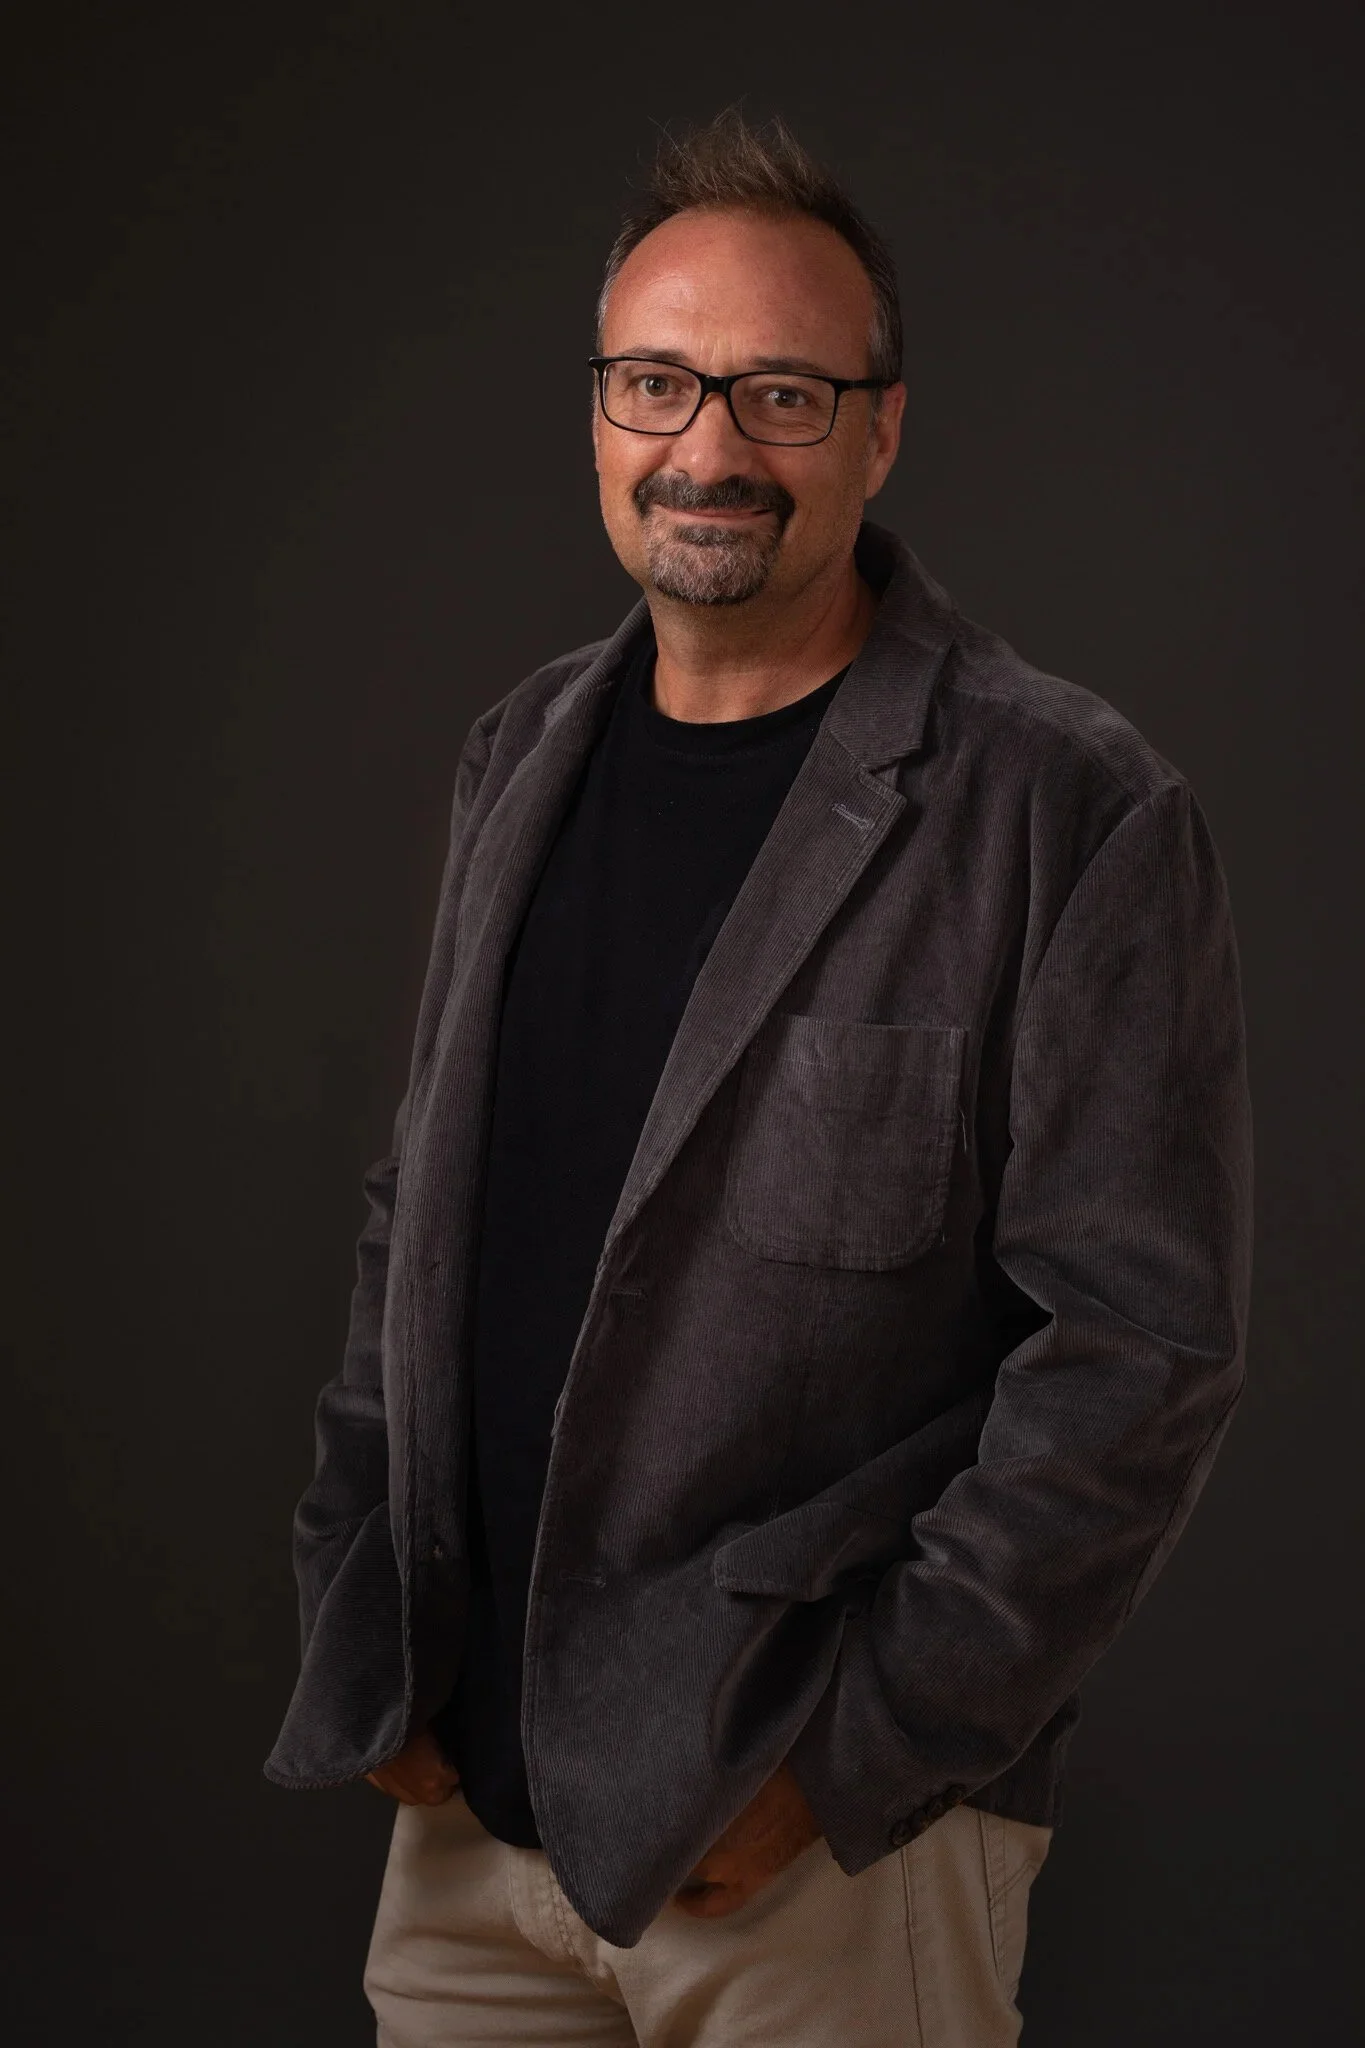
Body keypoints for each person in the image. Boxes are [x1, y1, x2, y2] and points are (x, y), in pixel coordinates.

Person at [265, 110, 1253, 2046]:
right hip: (470, 1826)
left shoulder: (1065, 806)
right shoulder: (519, 753)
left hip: (808, 1852)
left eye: (779, 394)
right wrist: (366, 1623)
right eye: (658, 384)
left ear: (880, 430)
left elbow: (1141, 1345)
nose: (707, 449)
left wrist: (860, 1752)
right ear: (600, 413)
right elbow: (419, 1221)